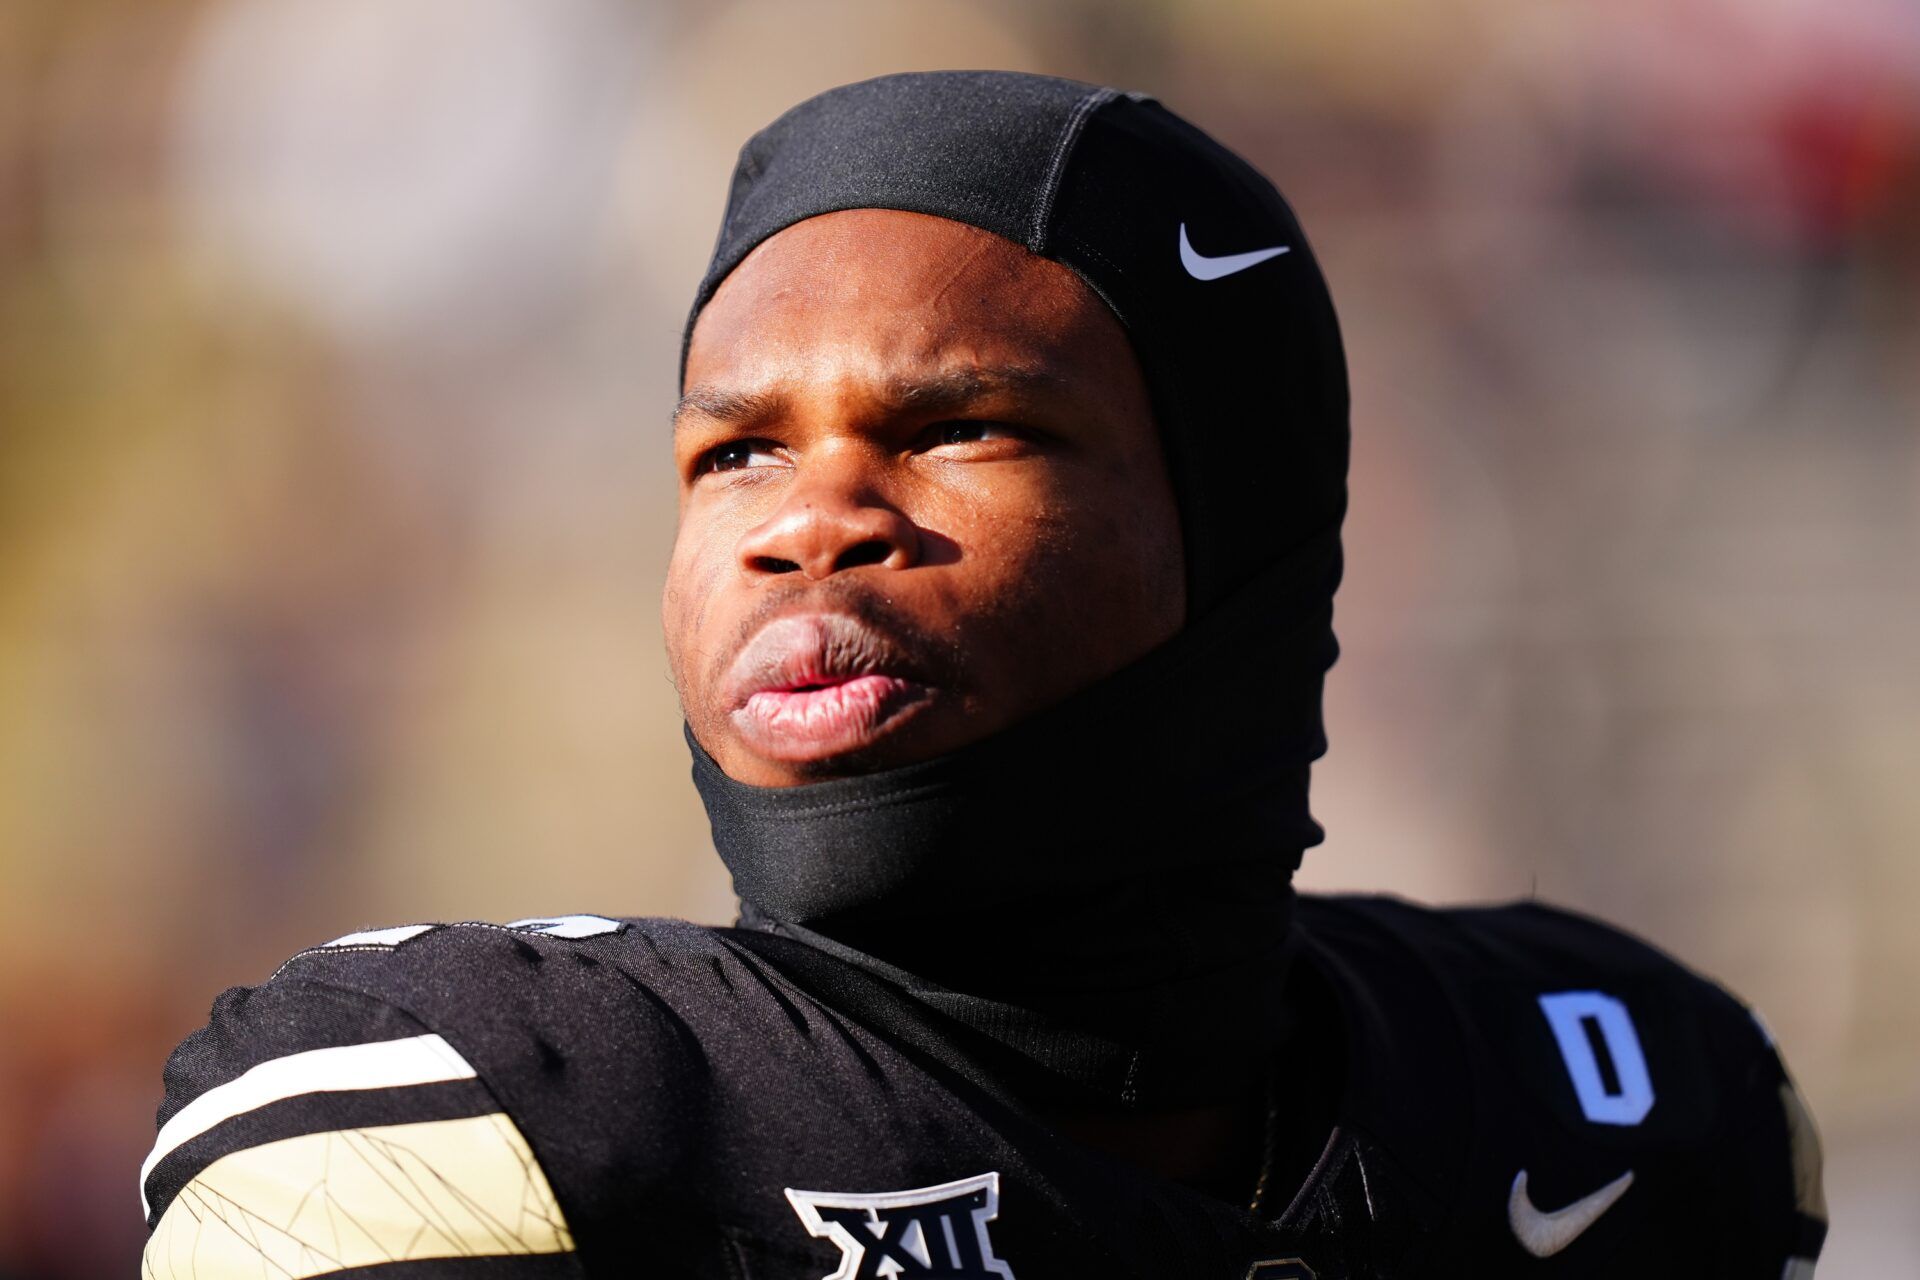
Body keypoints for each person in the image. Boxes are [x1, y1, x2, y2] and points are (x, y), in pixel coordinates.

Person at [138, 72, 1827, 1280]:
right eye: (732, 454)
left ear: (1233, 537)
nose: (807, 527)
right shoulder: (496, 1122)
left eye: (957, 427)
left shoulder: (1617, 1088)